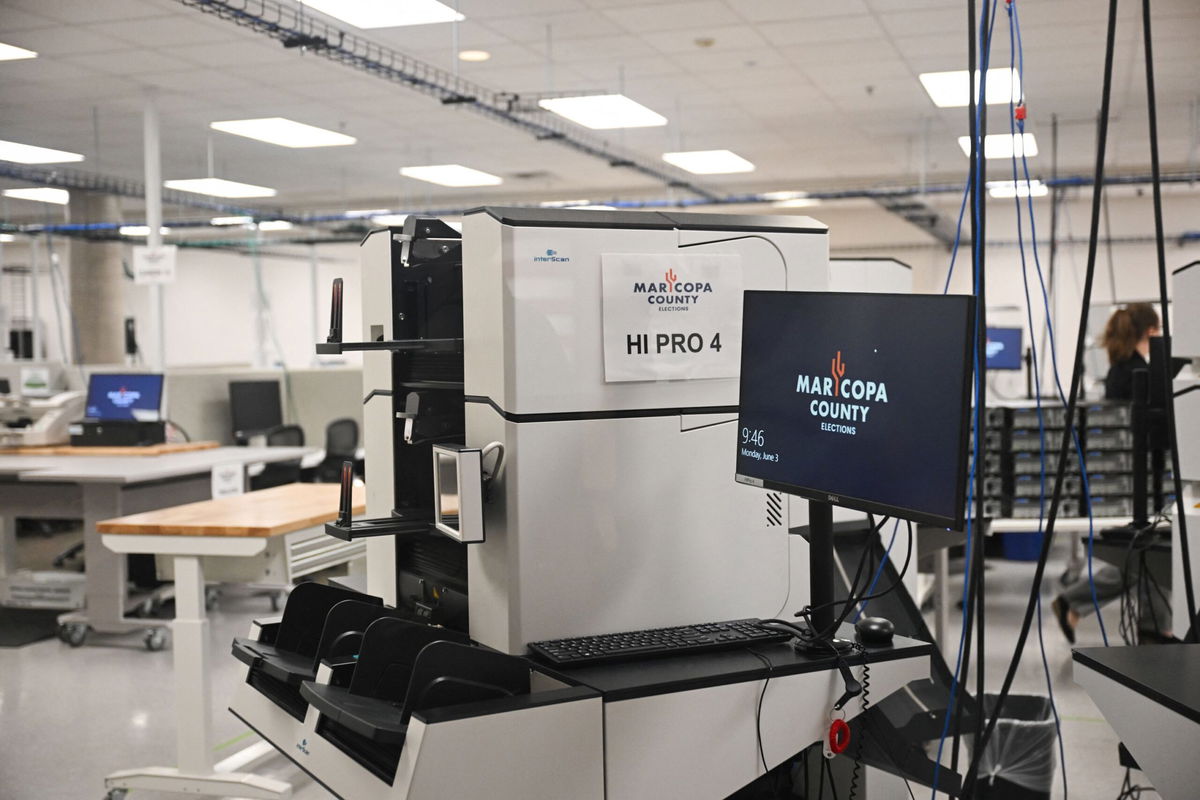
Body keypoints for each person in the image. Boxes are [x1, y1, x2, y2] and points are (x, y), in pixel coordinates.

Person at [1051, 303, 1174, 644]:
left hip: (1135, 476)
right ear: (1150, 331)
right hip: (1136, 478)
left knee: (1148, 550)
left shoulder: (1121, 368)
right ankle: (1152, 628)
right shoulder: (1138, 372)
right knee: (1148, 551)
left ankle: (1152, 626)